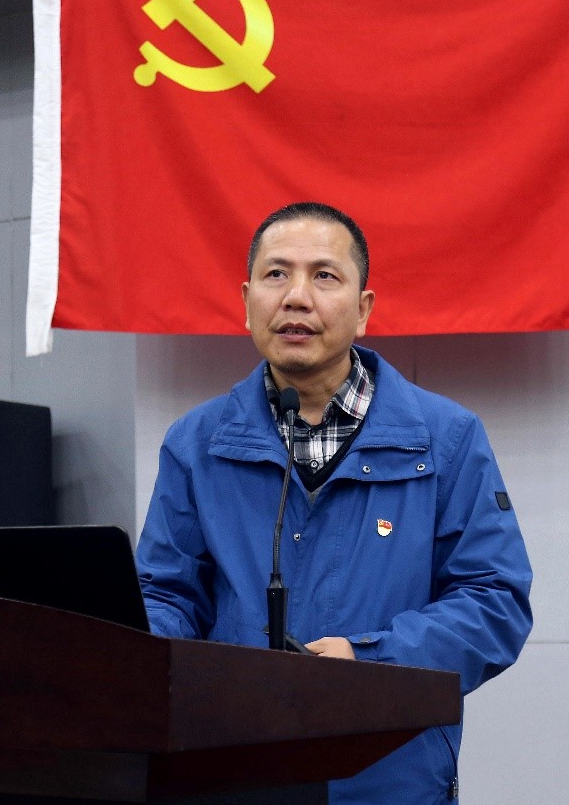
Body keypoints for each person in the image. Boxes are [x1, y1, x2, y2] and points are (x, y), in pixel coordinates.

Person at [135, 202, 533, 804]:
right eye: (276, 275)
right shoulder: (197, 443)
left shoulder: (447, 438)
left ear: (363, 309)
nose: (296, 297)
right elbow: (166, 595)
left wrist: (373, 660)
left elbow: (494, 601)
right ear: (246, 301)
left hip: (388, 776)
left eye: (324, 276)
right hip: (234, 770)